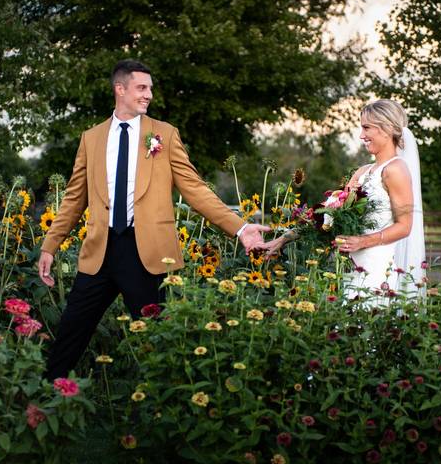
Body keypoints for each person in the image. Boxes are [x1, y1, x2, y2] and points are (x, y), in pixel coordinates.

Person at [39, 59, 270, 379]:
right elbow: (74, 198)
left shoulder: (164, 134)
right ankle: (46, 397)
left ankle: (164, 412)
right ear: (120, 89)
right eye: (141, 88)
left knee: (160, 343)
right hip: (99, 253)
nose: (148, 95)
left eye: (150, 89)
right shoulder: (91, 139)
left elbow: (195, 190)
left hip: (147, 254)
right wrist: (50, 245)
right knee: (70, 333)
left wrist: (241, 228)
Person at [262, 99, 425, 298]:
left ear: (387, 128)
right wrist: (283, 239)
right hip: (349, 267)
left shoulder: (396, 170)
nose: (361, 135)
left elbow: (404, 226)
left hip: (377, 267)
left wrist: (362, 241)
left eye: (367, 128)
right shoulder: (362, 172)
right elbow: (326, 215)